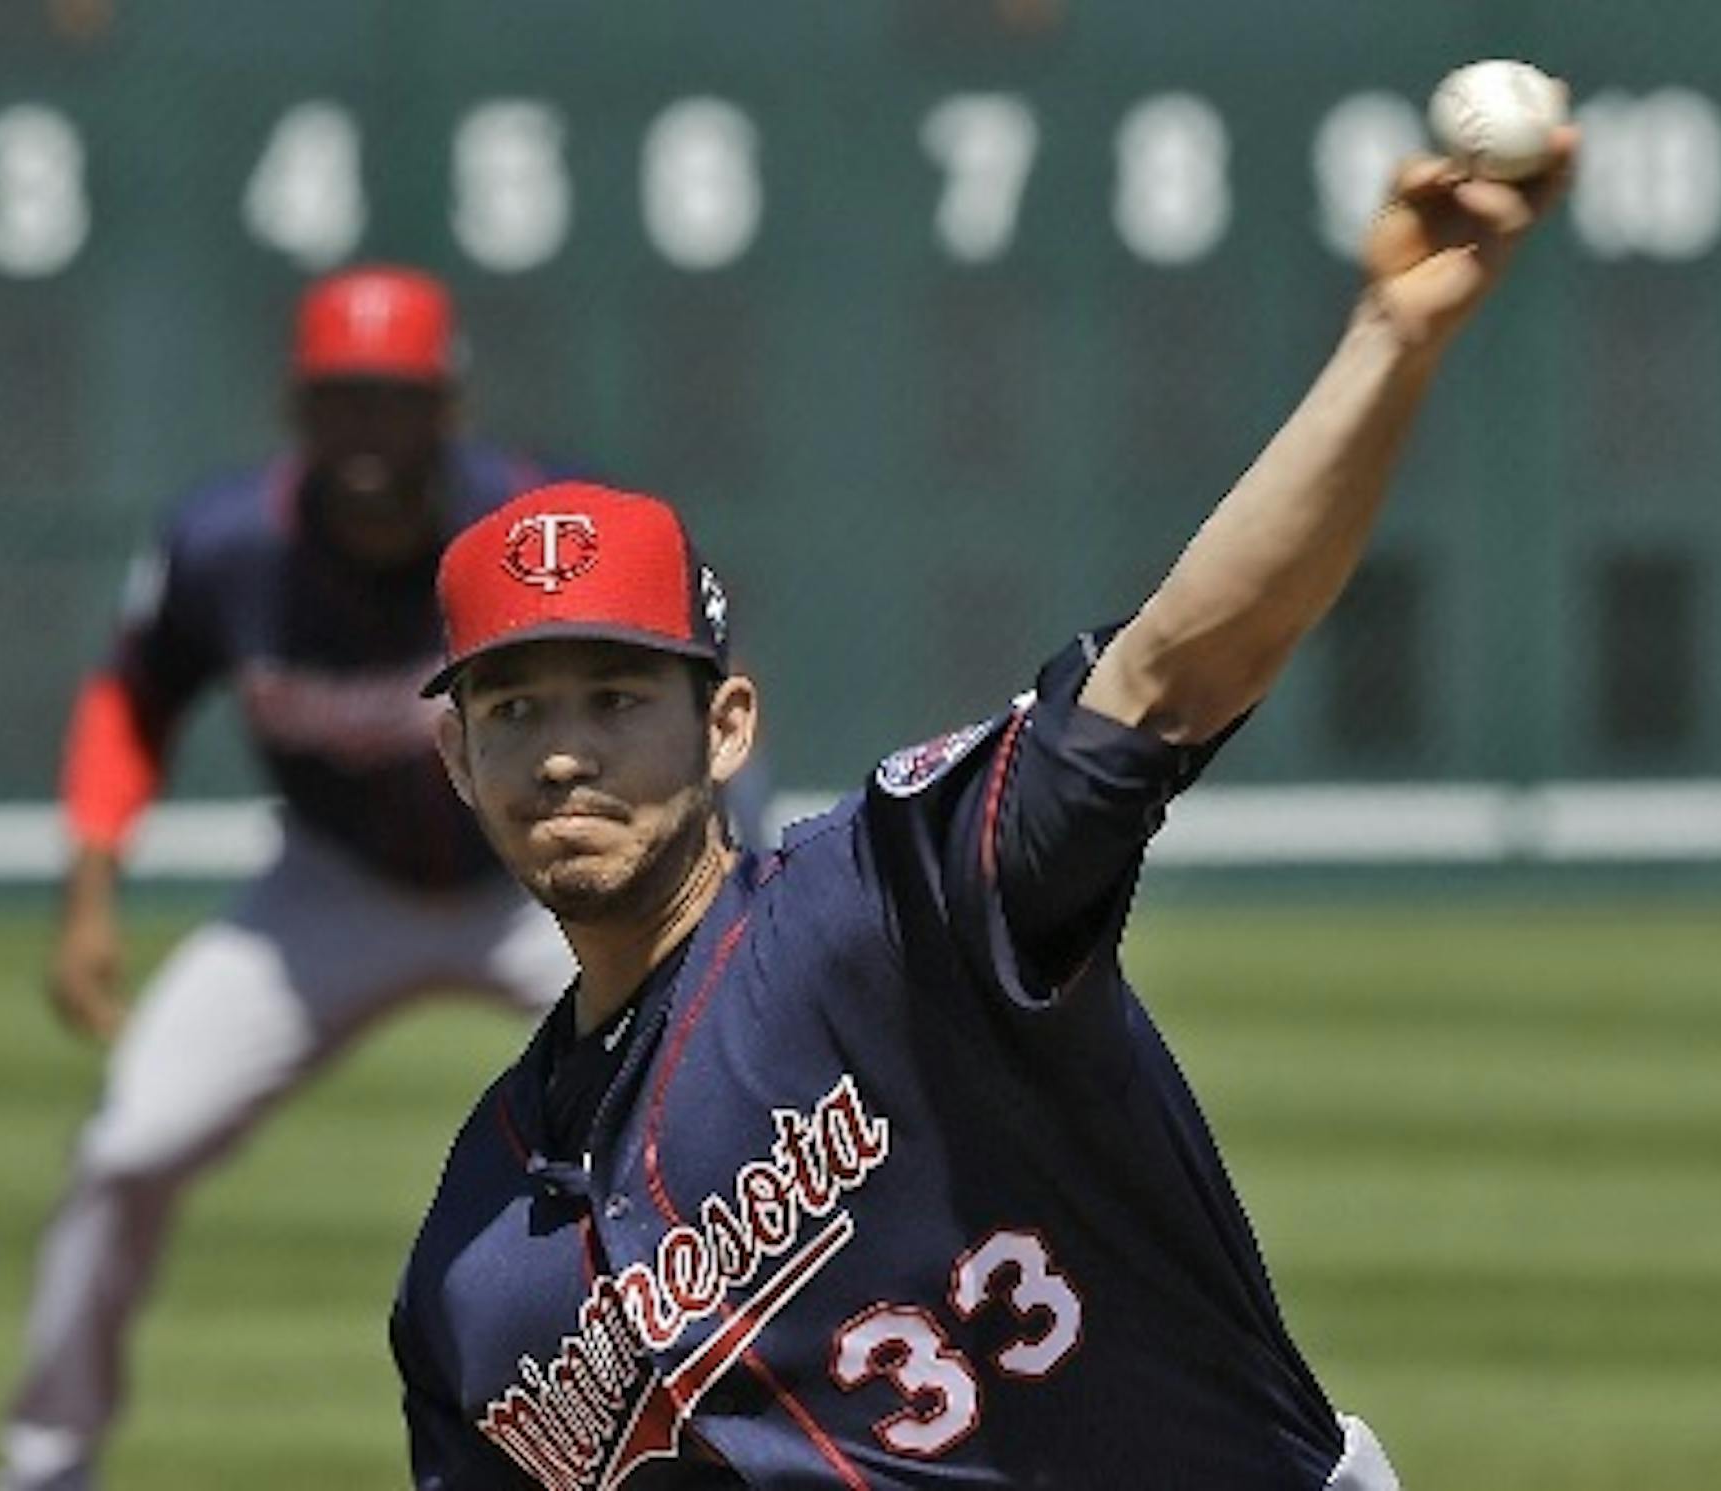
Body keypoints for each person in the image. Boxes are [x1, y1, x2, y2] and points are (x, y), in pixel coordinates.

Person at [387, 134, 1577, 1490]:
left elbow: (1175, 669)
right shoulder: (474, 1261)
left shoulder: (895, 913)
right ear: (457, 759)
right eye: (517, 711)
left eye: (614, 698)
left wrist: (1386, 340)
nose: (562, 756)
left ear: (726, 728)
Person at [0, 265, 581, 1491]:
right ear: (297, 409)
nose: (368, 430)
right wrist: (92, 895)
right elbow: (131, 699)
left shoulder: (529, 532)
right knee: (130, 1146)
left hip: (537, 886)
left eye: (393, 398)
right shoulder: (227, 546)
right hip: (331, 888)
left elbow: (678, 692)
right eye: (343, 400)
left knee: (710, 1130)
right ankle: (45, 1467)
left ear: (446, 405)